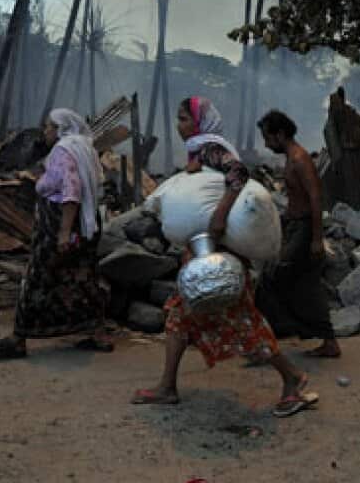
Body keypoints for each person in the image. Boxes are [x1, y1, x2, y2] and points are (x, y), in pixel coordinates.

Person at [133, 97, 317, 418]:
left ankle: (293, 379)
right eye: (179, 119)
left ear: (201, 123)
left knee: (244, 321)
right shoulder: (199, 151)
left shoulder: (209, 148)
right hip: (205, 254)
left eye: (185, 119)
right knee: (179, 315)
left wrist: (219, 216)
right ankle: (167, 387)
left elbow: (238, 173)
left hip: (220, 257)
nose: (180, 125)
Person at [0, 109, 113, 358]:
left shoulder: (64, 151)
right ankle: (97, 332)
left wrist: (63, 232)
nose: (45, 132)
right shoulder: (86, 148)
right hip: (85, 225)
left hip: (59, 224)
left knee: (36, 276)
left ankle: (18, 338)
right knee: (83, 277)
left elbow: (71, 191)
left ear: (61, 129)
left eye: (49, 127)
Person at [256, 109, 339, 358]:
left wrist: (316, 238)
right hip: (295, 226)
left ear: (280, 135)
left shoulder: (300, 159)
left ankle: (271, 338)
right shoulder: (291, 158)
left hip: (304, 228)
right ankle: (326, 340)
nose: (267, 145)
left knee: (274, 277)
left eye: (268, 138)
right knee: (305, 284)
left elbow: (315, 198)